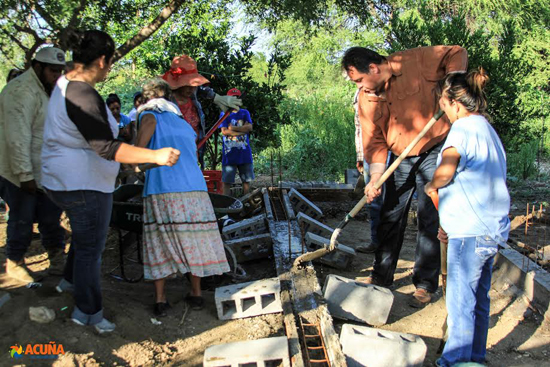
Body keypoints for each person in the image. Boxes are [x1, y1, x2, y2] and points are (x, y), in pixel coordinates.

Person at [41, 30, 180, 333]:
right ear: (102, 60)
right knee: (91, 249)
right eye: (111, 62)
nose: (110, 68)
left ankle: (69, 282)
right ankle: (88, 312)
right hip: (82, 184)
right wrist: (155, 156)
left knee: (83, 237)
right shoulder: (81, 93)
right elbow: (105, 147)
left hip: (66, 180)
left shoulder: (66, 84)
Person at [342, 45, 468, 307]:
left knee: (429, 217)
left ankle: (424, 285)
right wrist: (375, 179)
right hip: (399, 157)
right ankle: (382, 276)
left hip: (435, 147)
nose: (360, 87)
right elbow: (375, 143)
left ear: (374, 68)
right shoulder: (366, 98)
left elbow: (456, 52)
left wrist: (453, 81)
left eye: (360, 80)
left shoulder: (415, 60)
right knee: (389, 215)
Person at [424, 68, 510, 367]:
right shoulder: (487, 129)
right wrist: (448, 221)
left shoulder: (461, 129)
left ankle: (455, 361)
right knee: (479, 300)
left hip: (470, 233)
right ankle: (475, 358)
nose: (443, 112)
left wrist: (431, 184)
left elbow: (446, 173)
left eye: (443, 105)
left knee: (460, 302)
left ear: (455, 103)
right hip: (489, 230)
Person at [135, 78, 229, 316]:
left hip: (164, 189)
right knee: (193, 240)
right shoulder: (184, 124)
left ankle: (160, 299)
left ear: (147, 99)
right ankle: (196, 294)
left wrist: (132, 168)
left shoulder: (149, 117)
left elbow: (137, 154)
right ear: (169, 98)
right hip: (196, 190)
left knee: (160, 241)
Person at [0, 47, 67, 283]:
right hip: (19, 173)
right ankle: (14, 262)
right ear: (37, 67)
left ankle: (57, 256)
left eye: (60, 71)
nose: (57, 76)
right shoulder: (20, 91)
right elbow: (17, 138)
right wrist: (25, 175)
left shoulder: (49, 91)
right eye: (52, 71)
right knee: (22, 218)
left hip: (45, 171)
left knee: (51, 216)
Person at [161, 55, 242, 168]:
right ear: (177, 84)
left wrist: (218, 98)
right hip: (171, 158)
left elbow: (203, 90)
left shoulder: (192, 94)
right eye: (187, 84)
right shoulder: (163, 103)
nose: (192, 88)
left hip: (193, 154)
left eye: (194, 84)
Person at [353, 88, 383, 253]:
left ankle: (383, 244)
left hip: (381, 152)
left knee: (380, 198)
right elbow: (360, 126)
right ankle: (376, 241)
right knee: (372, 200)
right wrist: (360, 155)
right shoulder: (359, 93)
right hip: (368, 153)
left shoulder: (382, 91)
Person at [218, 88, 254, 196]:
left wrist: (233, 128)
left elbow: (250, 128)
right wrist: (242, 131)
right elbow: (224, 131)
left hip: (244, 153)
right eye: (232, 98)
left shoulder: (244, 112)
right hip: (229, 154)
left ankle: (246, 202)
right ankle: (227, 205)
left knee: (246, 180)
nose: (235, 99)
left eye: (237, 97)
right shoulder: (224, 114)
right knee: (227, 182)